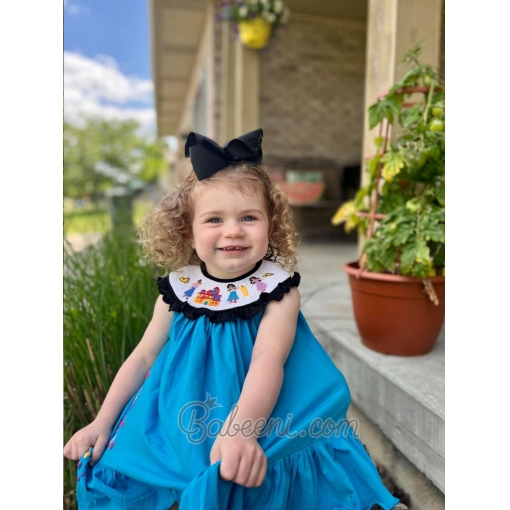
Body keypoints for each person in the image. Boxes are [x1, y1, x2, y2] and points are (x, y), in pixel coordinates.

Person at [64, 128, 407, 510]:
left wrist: (243, 430)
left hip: (265, 408)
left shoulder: (277, 290)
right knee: (160, 463)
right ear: (188, 232)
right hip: (185, 411)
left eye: (249, 217)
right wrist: (102, 420)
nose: (233, 230)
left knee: (260, 469)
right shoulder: (179, 292)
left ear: (271, 225)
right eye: (214, 220)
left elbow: (268, 359)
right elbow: (143, 358)